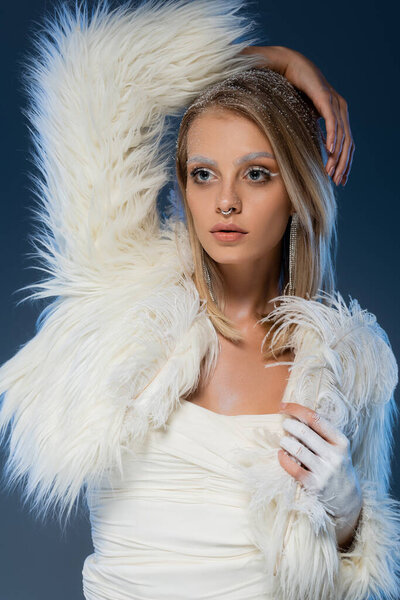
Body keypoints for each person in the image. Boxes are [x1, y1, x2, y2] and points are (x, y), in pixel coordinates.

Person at [0, 1, 398, 599]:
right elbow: (98, 79)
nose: (226, 201)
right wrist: (278, 63)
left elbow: (356, 585)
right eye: (204, 173)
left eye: (257, 173)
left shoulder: (347, 366)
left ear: (296, 191)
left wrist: (346, 518)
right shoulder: (125, 300)